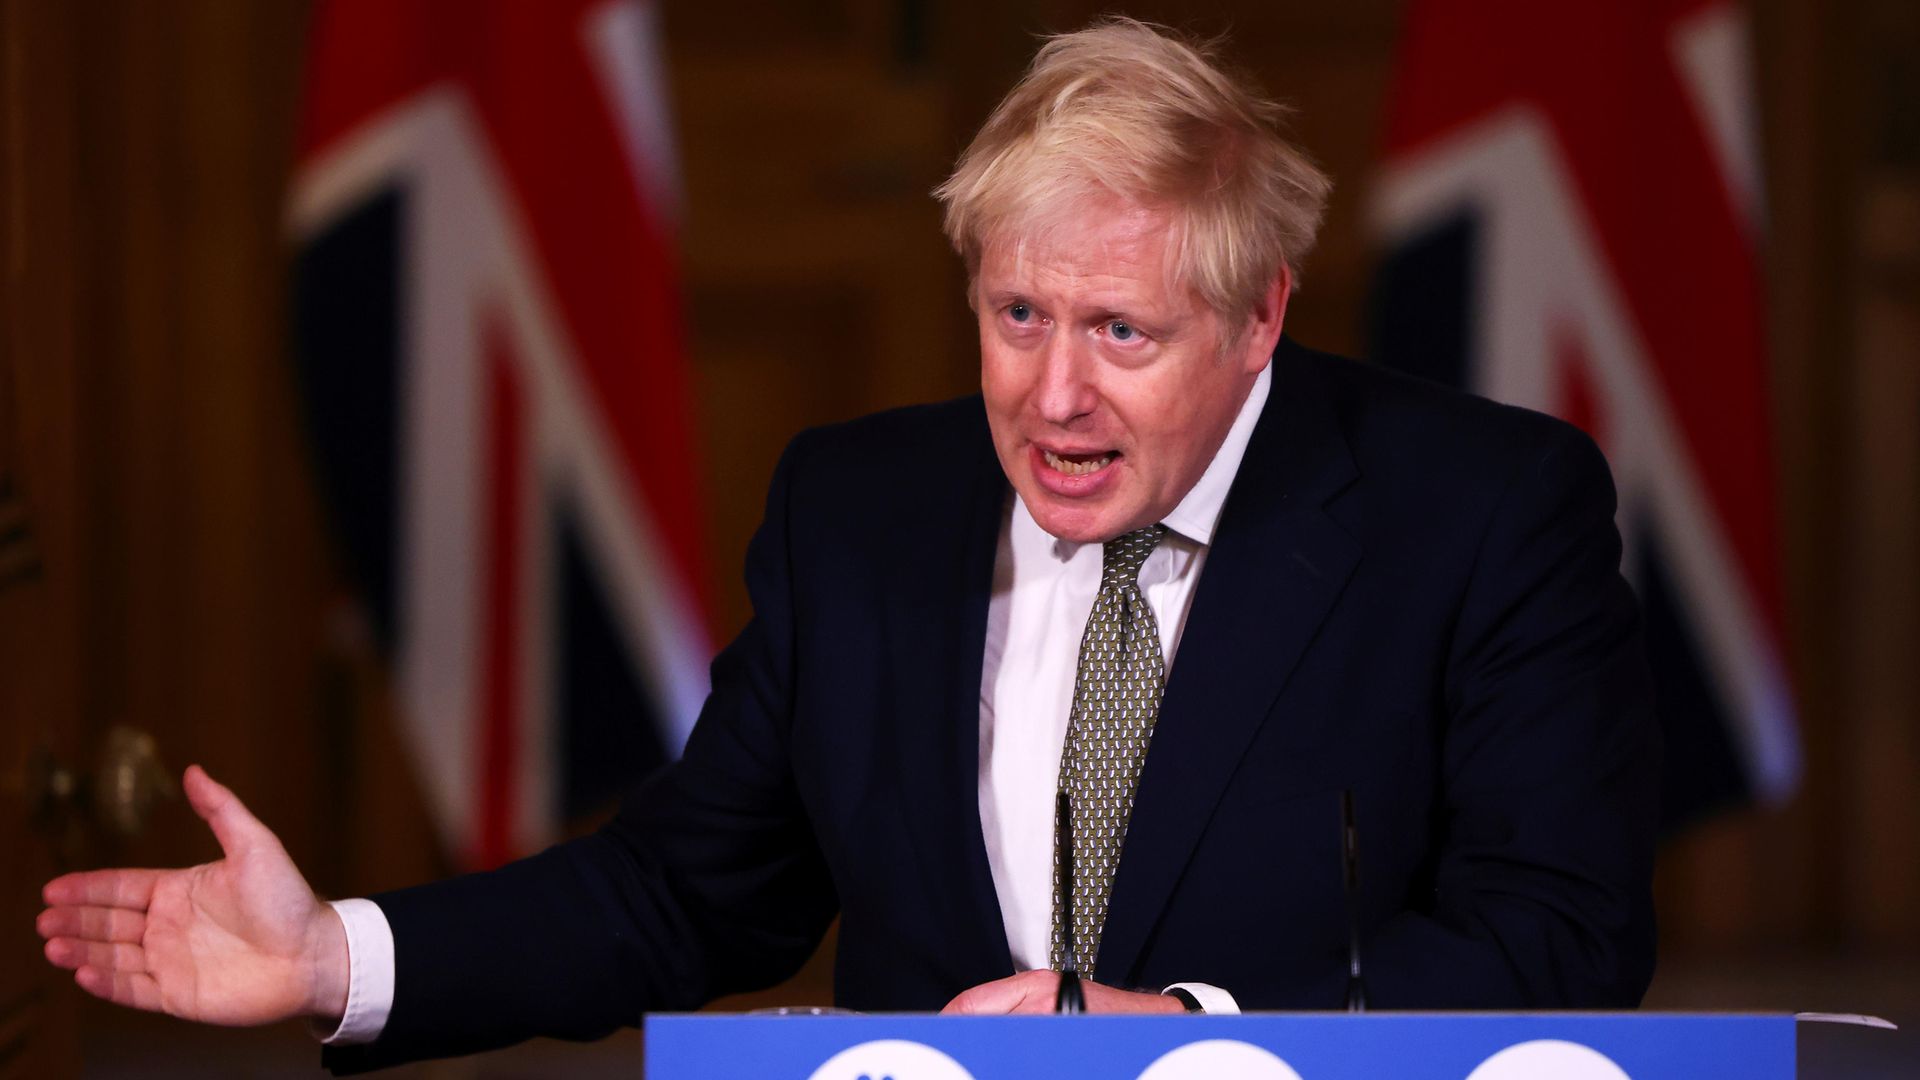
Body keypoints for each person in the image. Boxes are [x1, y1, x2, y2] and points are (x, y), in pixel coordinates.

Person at [37, 18, 1659, 1073]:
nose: (1053, 394)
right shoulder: (860, 511)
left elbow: (1563, 932)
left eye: (1121, 331)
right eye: (1016, 314)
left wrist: (1193, 1035)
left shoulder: (1483, 512)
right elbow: (686, 892)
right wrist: (341, 955)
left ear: (1259, 320)